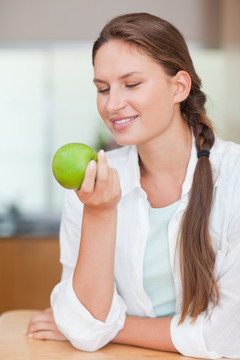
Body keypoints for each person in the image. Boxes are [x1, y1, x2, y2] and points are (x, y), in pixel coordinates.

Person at [27, 13, 240, 359]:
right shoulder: (92, 185)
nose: (112, 104)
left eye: (132, 84)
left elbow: (227, 337)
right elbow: (84, 328)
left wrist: (108, 327)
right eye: (102, 88)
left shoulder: (234, 177)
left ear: (179, 87)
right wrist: (99, 212)